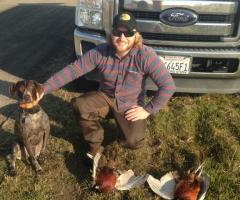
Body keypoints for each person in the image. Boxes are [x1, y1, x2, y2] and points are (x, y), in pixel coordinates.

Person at [41, 11, 176, 158]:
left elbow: (168, 86)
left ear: (135, 35)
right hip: (105, 98)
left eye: (128, 33)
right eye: (118, 32)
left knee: (134, 141)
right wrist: (44, 88)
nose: (122, 38)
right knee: (79, 105)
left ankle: (122, 132)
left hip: (130, 105)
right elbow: (73, 70)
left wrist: (147, 110)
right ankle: (95, 142)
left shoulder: (145, 55)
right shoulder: (100, 52)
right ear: (112, 32)